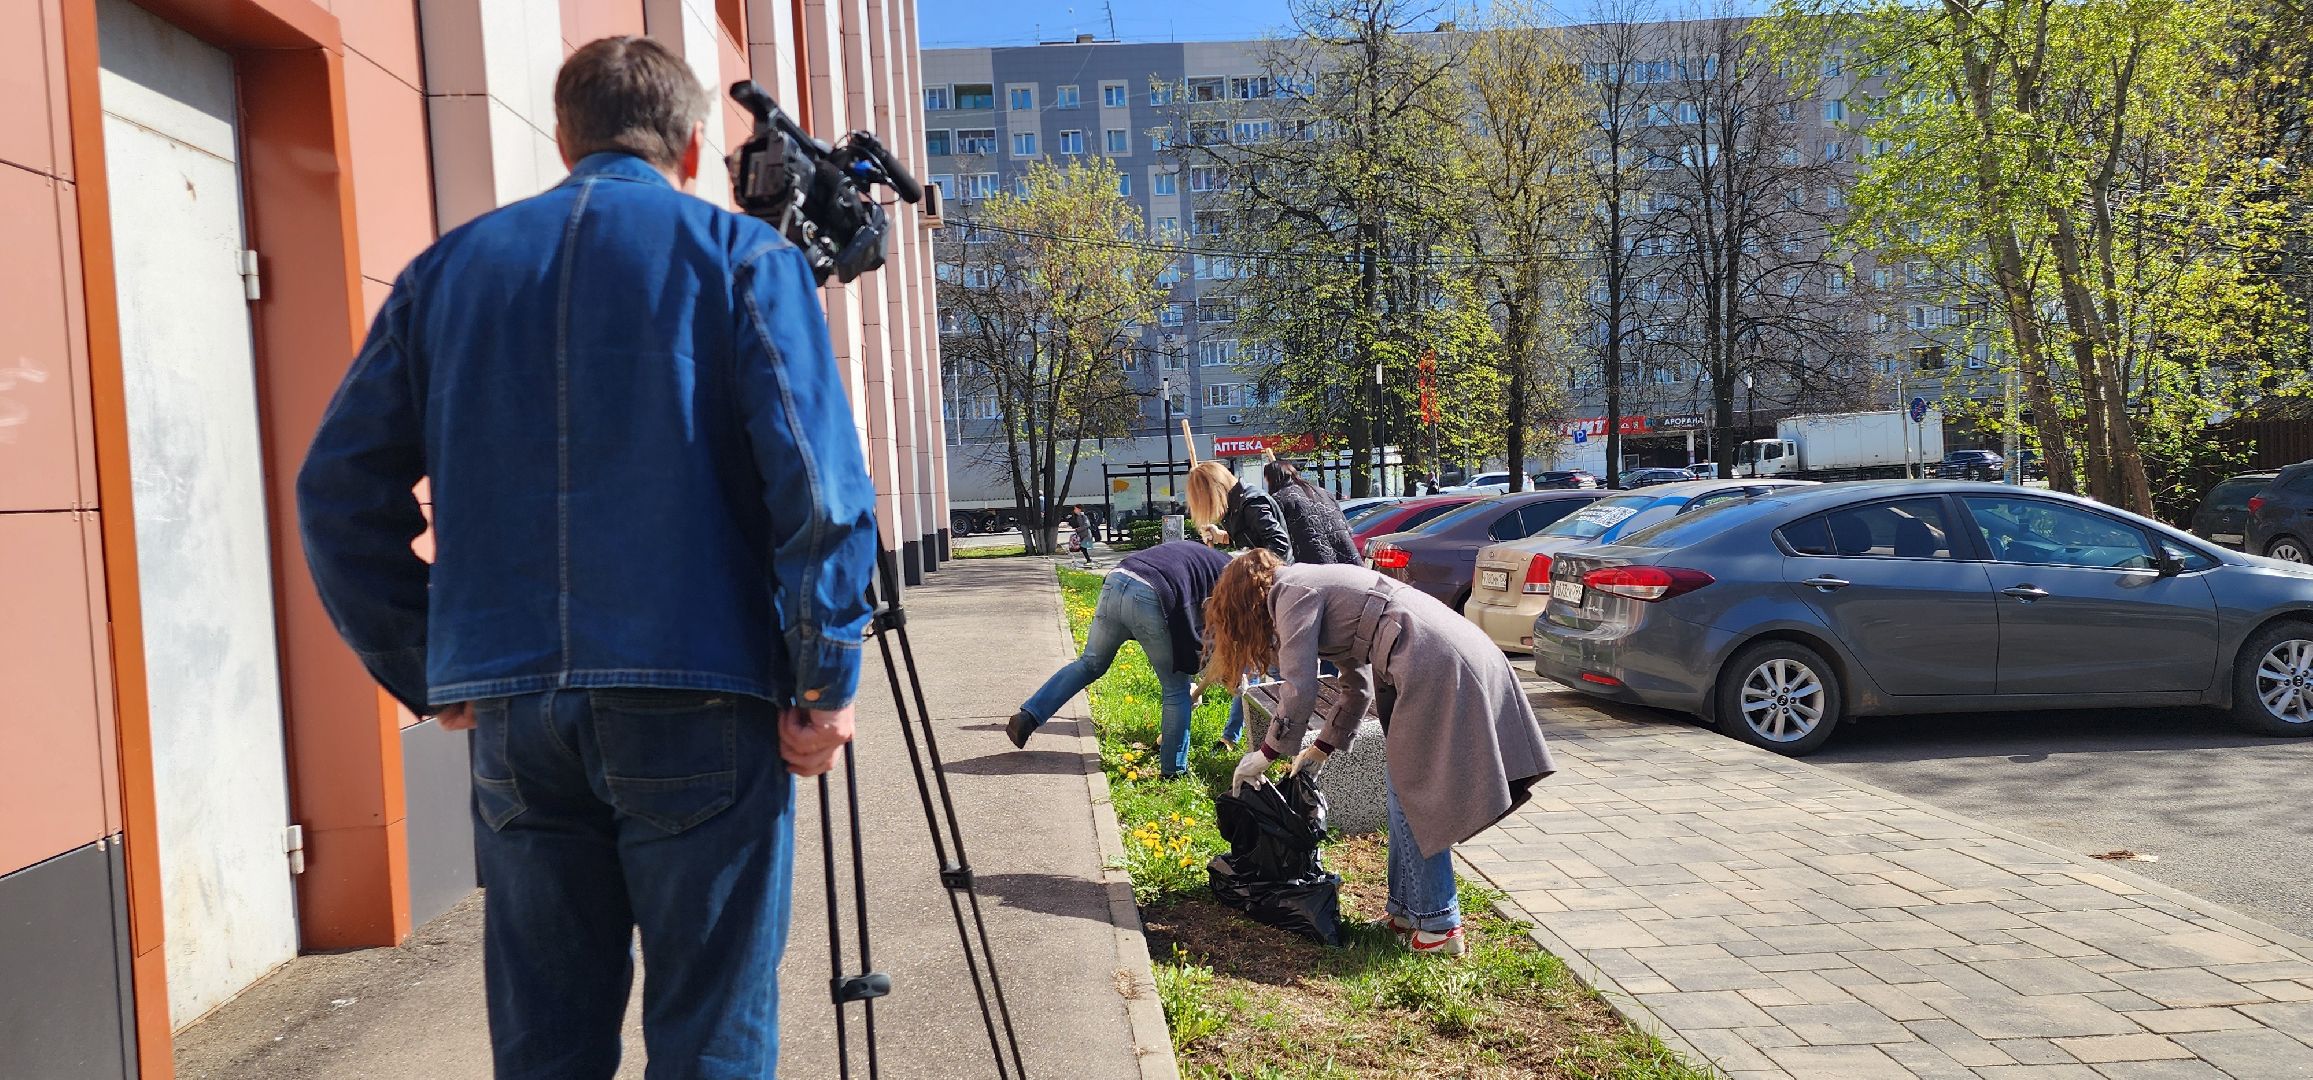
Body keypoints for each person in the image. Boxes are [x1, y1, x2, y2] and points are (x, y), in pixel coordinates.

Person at [295, 37, 874, 1079]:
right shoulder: (745, 261)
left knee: (547, 1046)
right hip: (702, 697)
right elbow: (821, 494)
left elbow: (336, 492)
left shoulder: (446, 274)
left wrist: (428, 661)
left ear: (563, 139)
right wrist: (825, 674)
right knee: (710, 1035)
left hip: (516, 716)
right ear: (694, 148)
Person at [1203, 552, 1554, 957]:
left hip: (1435, 661)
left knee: (1417, 794)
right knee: (1403, 789)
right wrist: (1319, 750)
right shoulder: (1310, 587)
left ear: (1243, 599)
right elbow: (1358, 686)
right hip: (1442, 652)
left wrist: (1265, 754)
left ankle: (1440, 924)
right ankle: (1407, 914)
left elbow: (1299, 687)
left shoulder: (1290, 591)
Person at [1007, 541, 1231, 776]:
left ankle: (1028, 716)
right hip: (1150, 594)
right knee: (1176, 687)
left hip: (1117, 579)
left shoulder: (1210, 559)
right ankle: (1173, 770)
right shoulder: (1233, 576)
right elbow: (1205, 628)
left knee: (1089, 663)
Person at [1186, 459, 1290, 560]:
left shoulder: (1252, 503)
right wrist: (1220, 537)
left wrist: (1240, 558)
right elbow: (1249, 536)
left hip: (1277, 573)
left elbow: (1279, 544)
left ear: (1214, 492)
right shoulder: (1234, 503)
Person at [1264, 460, 1358, 566]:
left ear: (1271, 479)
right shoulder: (1324, 493)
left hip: (1315, 565)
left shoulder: (1279, 499)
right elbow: (1348, 530)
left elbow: (1279, 540)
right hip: (1349, 561)